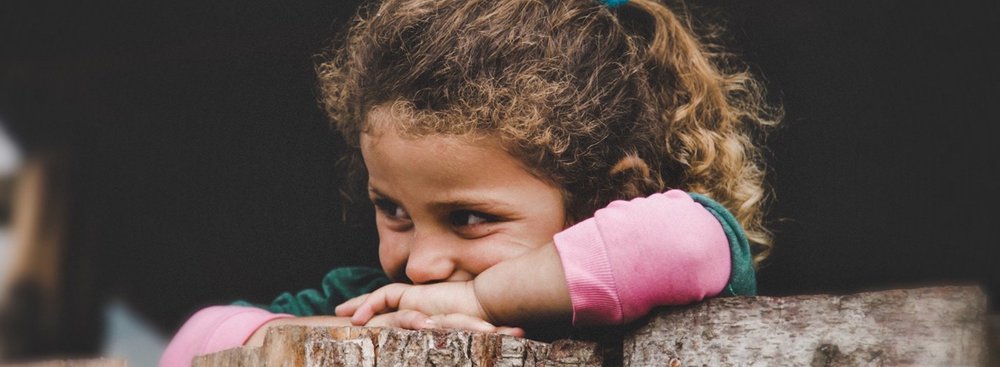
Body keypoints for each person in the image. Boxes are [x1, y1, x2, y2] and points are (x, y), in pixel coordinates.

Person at [160, 0, 778, 364]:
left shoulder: (646, 294)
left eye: (469, 218)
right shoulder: (374, 298)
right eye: (394, 210)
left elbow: (692, 239)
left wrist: (477, 302)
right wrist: (351, 335)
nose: (422, 265)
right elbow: (188, 345)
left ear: (607, 198)